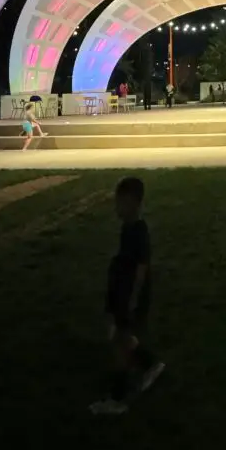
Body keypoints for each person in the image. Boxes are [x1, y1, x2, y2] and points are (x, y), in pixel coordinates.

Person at [90, 177, 165, 415]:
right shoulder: (128, 228)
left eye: (120, 203)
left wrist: (132, 298)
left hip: (129, 294)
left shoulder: (139, 231)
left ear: (133, 203)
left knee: (119, 345)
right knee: (123, 337)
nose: (116, 208)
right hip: (122, 291)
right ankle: (151, 365)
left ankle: (117, 399)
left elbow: (142, 267)